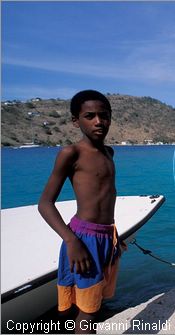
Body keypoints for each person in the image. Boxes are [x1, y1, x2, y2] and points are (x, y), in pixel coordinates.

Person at [38, 90, 120, 334]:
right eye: (89, 116)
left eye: (104, 116)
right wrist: (71, 240)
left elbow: (105, 198)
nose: (98, 122)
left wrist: (116, 236)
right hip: (83, 239)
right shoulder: (71, 153)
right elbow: (45, 203)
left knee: (93, 303)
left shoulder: (109, 153)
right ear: (76, 121)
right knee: (88, 311)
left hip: (107, 236)